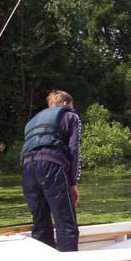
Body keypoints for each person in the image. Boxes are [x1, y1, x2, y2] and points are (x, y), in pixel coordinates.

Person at [21, 90, 81, 252]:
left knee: (40, 222)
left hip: (27, 169)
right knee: (65, 221)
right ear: (66, 103)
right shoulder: (71, 116)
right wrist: (73, 182)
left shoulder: (32, 121)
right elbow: (74, 150)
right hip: (52, 165)